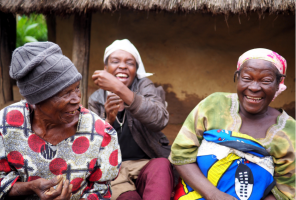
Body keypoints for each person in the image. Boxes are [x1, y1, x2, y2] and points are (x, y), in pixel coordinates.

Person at [0, 42, 121, 200]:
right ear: (36, 101)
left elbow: (101, 192)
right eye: (65, 93)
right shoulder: (6, 125)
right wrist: (30, 187)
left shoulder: (100, 134)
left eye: (76, 88)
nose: (77, 99)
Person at [169, 48, 295, 200]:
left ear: (278, 84)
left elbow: (286, 191)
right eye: (247, 78)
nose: (254, 87)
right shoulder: (213, 105)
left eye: (266, 81)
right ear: (237, 77)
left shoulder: (289, 131)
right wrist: (214, 195)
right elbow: (181, 156)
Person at [88, 39, 173, 200]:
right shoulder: (96, 99)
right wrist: (108, 120)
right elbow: (92, 147)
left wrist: (119, 88)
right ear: (106, 69)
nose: (122, 66)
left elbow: (160, 119)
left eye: (130, 62)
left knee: (162, 164)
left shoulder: (144, 86)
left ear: (136, 69)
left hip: (146, 163)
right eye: (115, 61)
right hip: (115, 169)